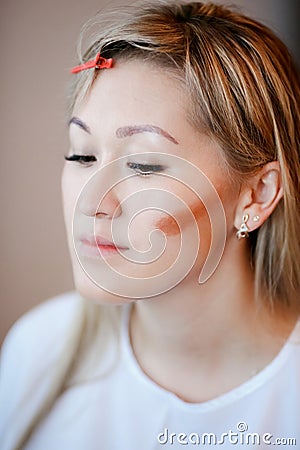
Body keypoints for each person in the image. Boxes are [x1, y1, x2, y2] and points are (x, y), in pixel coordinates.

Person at [0, 1, 299, 449]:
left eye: (143, 165)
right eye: (82, 155)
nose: (92, 202)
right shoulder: (38, 348)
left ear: (256, 195)